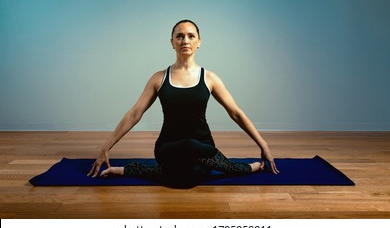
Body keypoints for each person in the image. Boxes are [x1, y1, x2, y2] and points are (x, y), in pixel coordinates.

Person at [88, 20, 279, 186]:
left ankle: (125, 170)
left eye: (191, 36)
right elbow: (135, 114)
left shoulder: (209, 78)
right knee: (184, 154)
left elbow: (236, 113)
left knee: (184, 179)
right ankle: (240, 168)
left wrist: (264, 145)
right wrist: (105, 147)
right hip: (168, 148)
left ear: (199, 42)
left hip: (203, 149)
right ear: (172, 43)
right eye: (179, 36)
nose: (185, 41)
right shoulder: (159, 78)